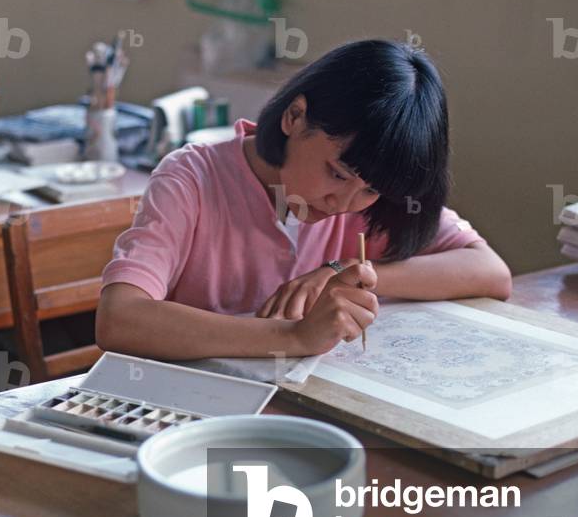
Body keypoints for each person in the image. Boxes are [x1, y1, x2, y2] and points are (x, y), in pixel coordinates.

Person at [96, 40, 511, 360]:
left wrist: (352, 273)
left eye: (370, 190)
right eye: (337, 173)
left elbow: (491, 273)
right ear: (295, 117)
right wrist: (294, 337)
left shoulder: (367, 201)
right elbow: (120, 319)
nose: (344, 204)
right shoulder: (190, 179)